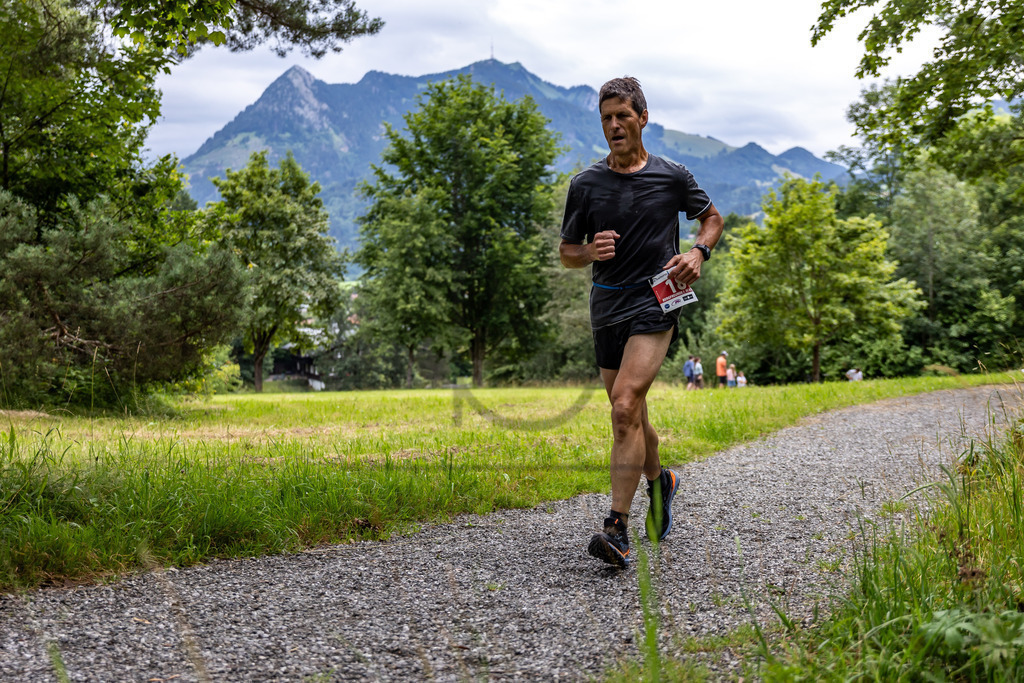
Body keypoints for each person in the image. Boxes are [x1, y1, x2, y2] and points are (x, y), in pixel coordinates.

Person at [560, 76, 723, 567]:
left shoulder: (672, 175)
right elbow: (567, 252)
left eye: (622, 116)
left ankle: (616, 528)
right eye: (606, 118)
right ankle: (661, 481)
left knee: (625, 405)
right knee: (630, 411)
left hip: (657, 301)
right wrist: (588, 251)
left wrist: (698, 251)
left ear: (642, 118)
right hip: (605, 306)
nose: (613, 125)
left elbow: (712, 218)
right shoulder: (585, 184)